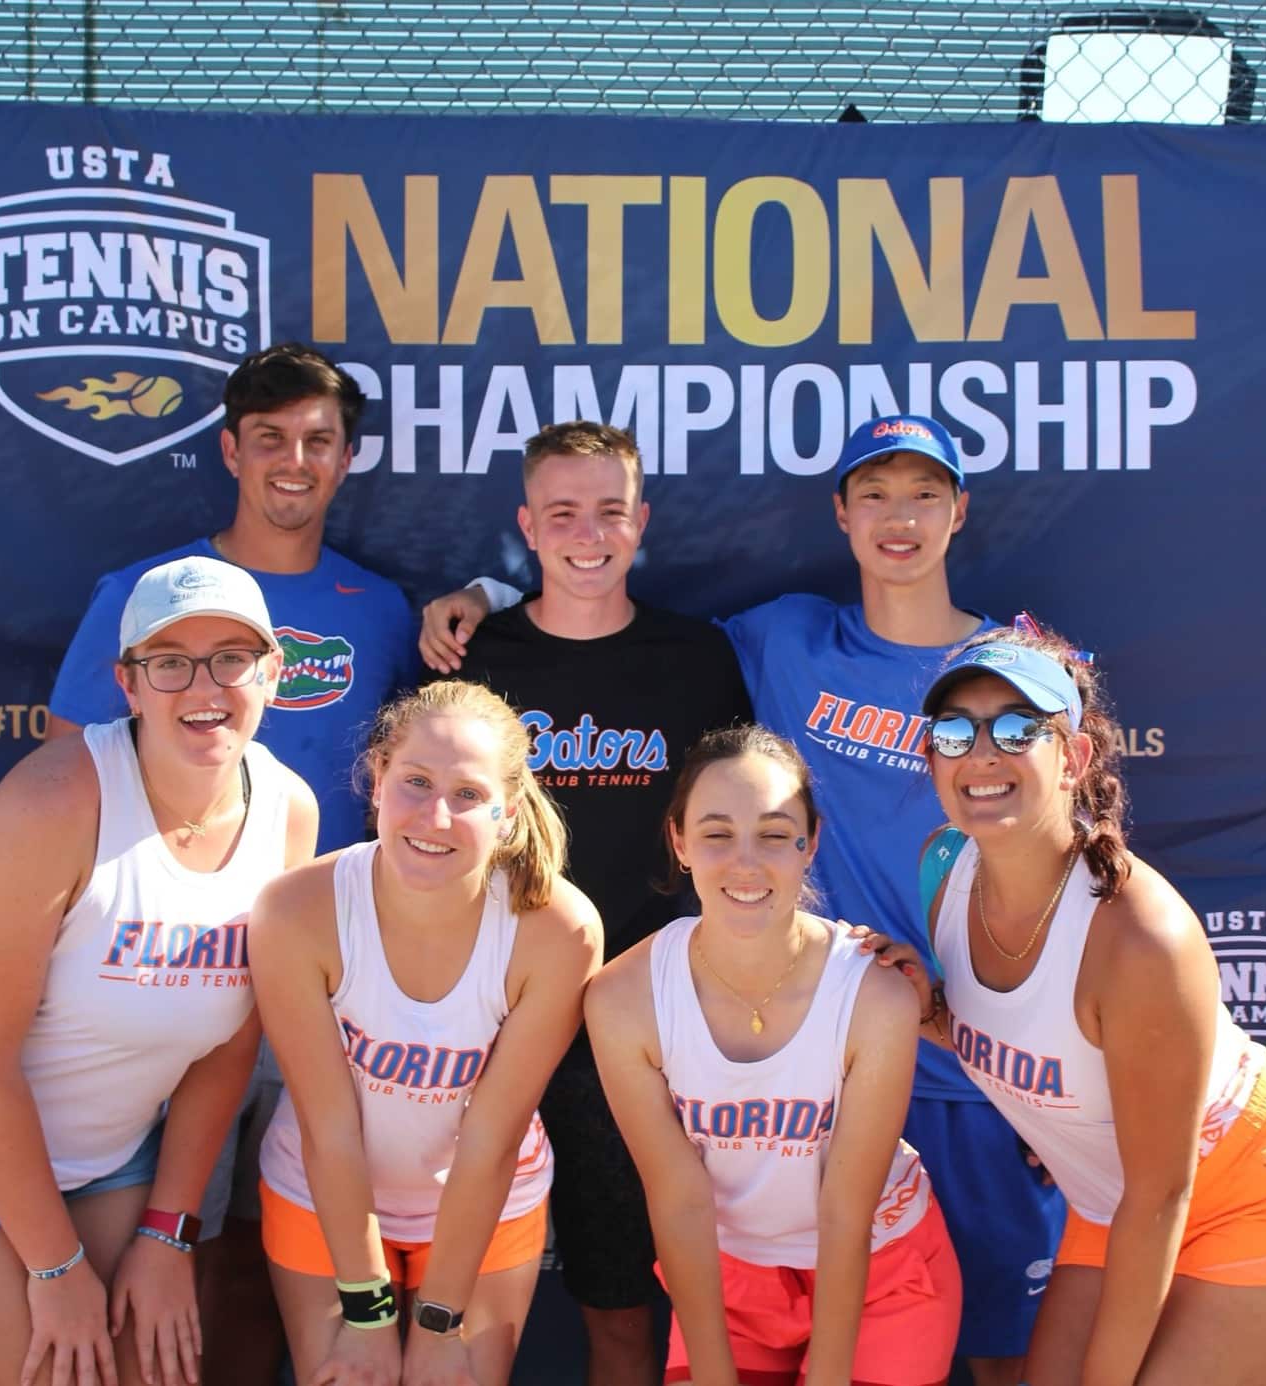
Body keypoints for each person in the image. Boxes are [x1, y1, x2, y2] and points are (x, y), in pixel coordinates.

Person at [422, 414, 1064, 1384]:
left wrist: (1058, 1062)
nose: (899, 518)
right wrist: (489, 592)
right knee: (599, 1304)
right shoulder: (781, 639)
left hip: (959, 1043)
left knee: (1003, 1348)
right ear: (839, 513)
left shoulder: (1007, 673)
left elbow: (1067, 850)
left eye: (924, 494)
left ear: (960, 509)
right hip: (775, 1030)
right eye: (876, 494)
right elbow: (584, 605)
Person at [866, 622, 1266, 1385]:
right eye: (954, 732)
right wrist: (928, 1011)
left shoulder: (1141, 937)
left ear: (1072, 758)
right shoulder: (943, 868)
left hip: (1256, 1187)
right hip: (1114, 1203)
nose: (982, 753)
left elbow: (1162, 1193)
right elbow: (1016, 1036)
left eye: (1016, 729)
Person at [0, 555, 318, 1386]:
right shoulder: (54, 801)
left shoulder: (288, 812)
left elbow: (228, 1049)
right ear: (128, 684)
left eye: (232, 658)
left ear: (273, 674)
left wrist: (168, 1234)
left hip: (110, 1155)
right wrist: (57, 1270)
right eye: (169, 662)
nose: (203, 686)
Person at [46, 341, 417, 1382]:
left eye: (318, 440)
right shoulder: (143, 592)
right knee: (164, 1247)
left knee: (277, 1245)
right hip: (172, 975)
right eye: (270, 438)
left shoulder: (380, 607)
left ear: (346, 457)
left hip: (326, 985)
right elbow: (69, 772)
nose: (295, 461)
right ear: (229, 450)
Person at [440, 419, 752, 1385]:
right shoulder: (474, 658)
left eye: (610, 512)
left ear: (641, 522)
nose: (588, 535)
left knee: (622, 1310)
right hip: (489, 1025)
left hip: (638, 1032)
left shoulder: (696, 658)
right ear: (527, 525)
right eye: (563, 513)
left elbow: (736, 832)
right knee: (452, 1299)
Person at [249, 679, 602, 1386]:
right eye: (416, 781)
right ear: (378, 777)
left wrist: (440, 1321)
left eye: (468, 794)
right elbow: (329, 1127)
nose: (435, 816)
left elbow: (491, 1139)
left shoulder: (558, 929)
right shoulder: (297, 909)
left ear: (507, 810)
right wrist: (368, 1313)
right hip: (321, 1195)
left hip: (486, 1205)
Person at [587, 725, 961, 1386]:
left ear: (810, 842)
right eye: (717, 834)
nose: (746, 863)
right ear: (680, 842)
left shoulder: (874, 993)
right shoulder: (623, 996)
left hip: (881, 1271)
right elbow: (678, 1199)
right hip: (729, 1280)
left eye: (773, 833)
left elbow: (846, 1209)